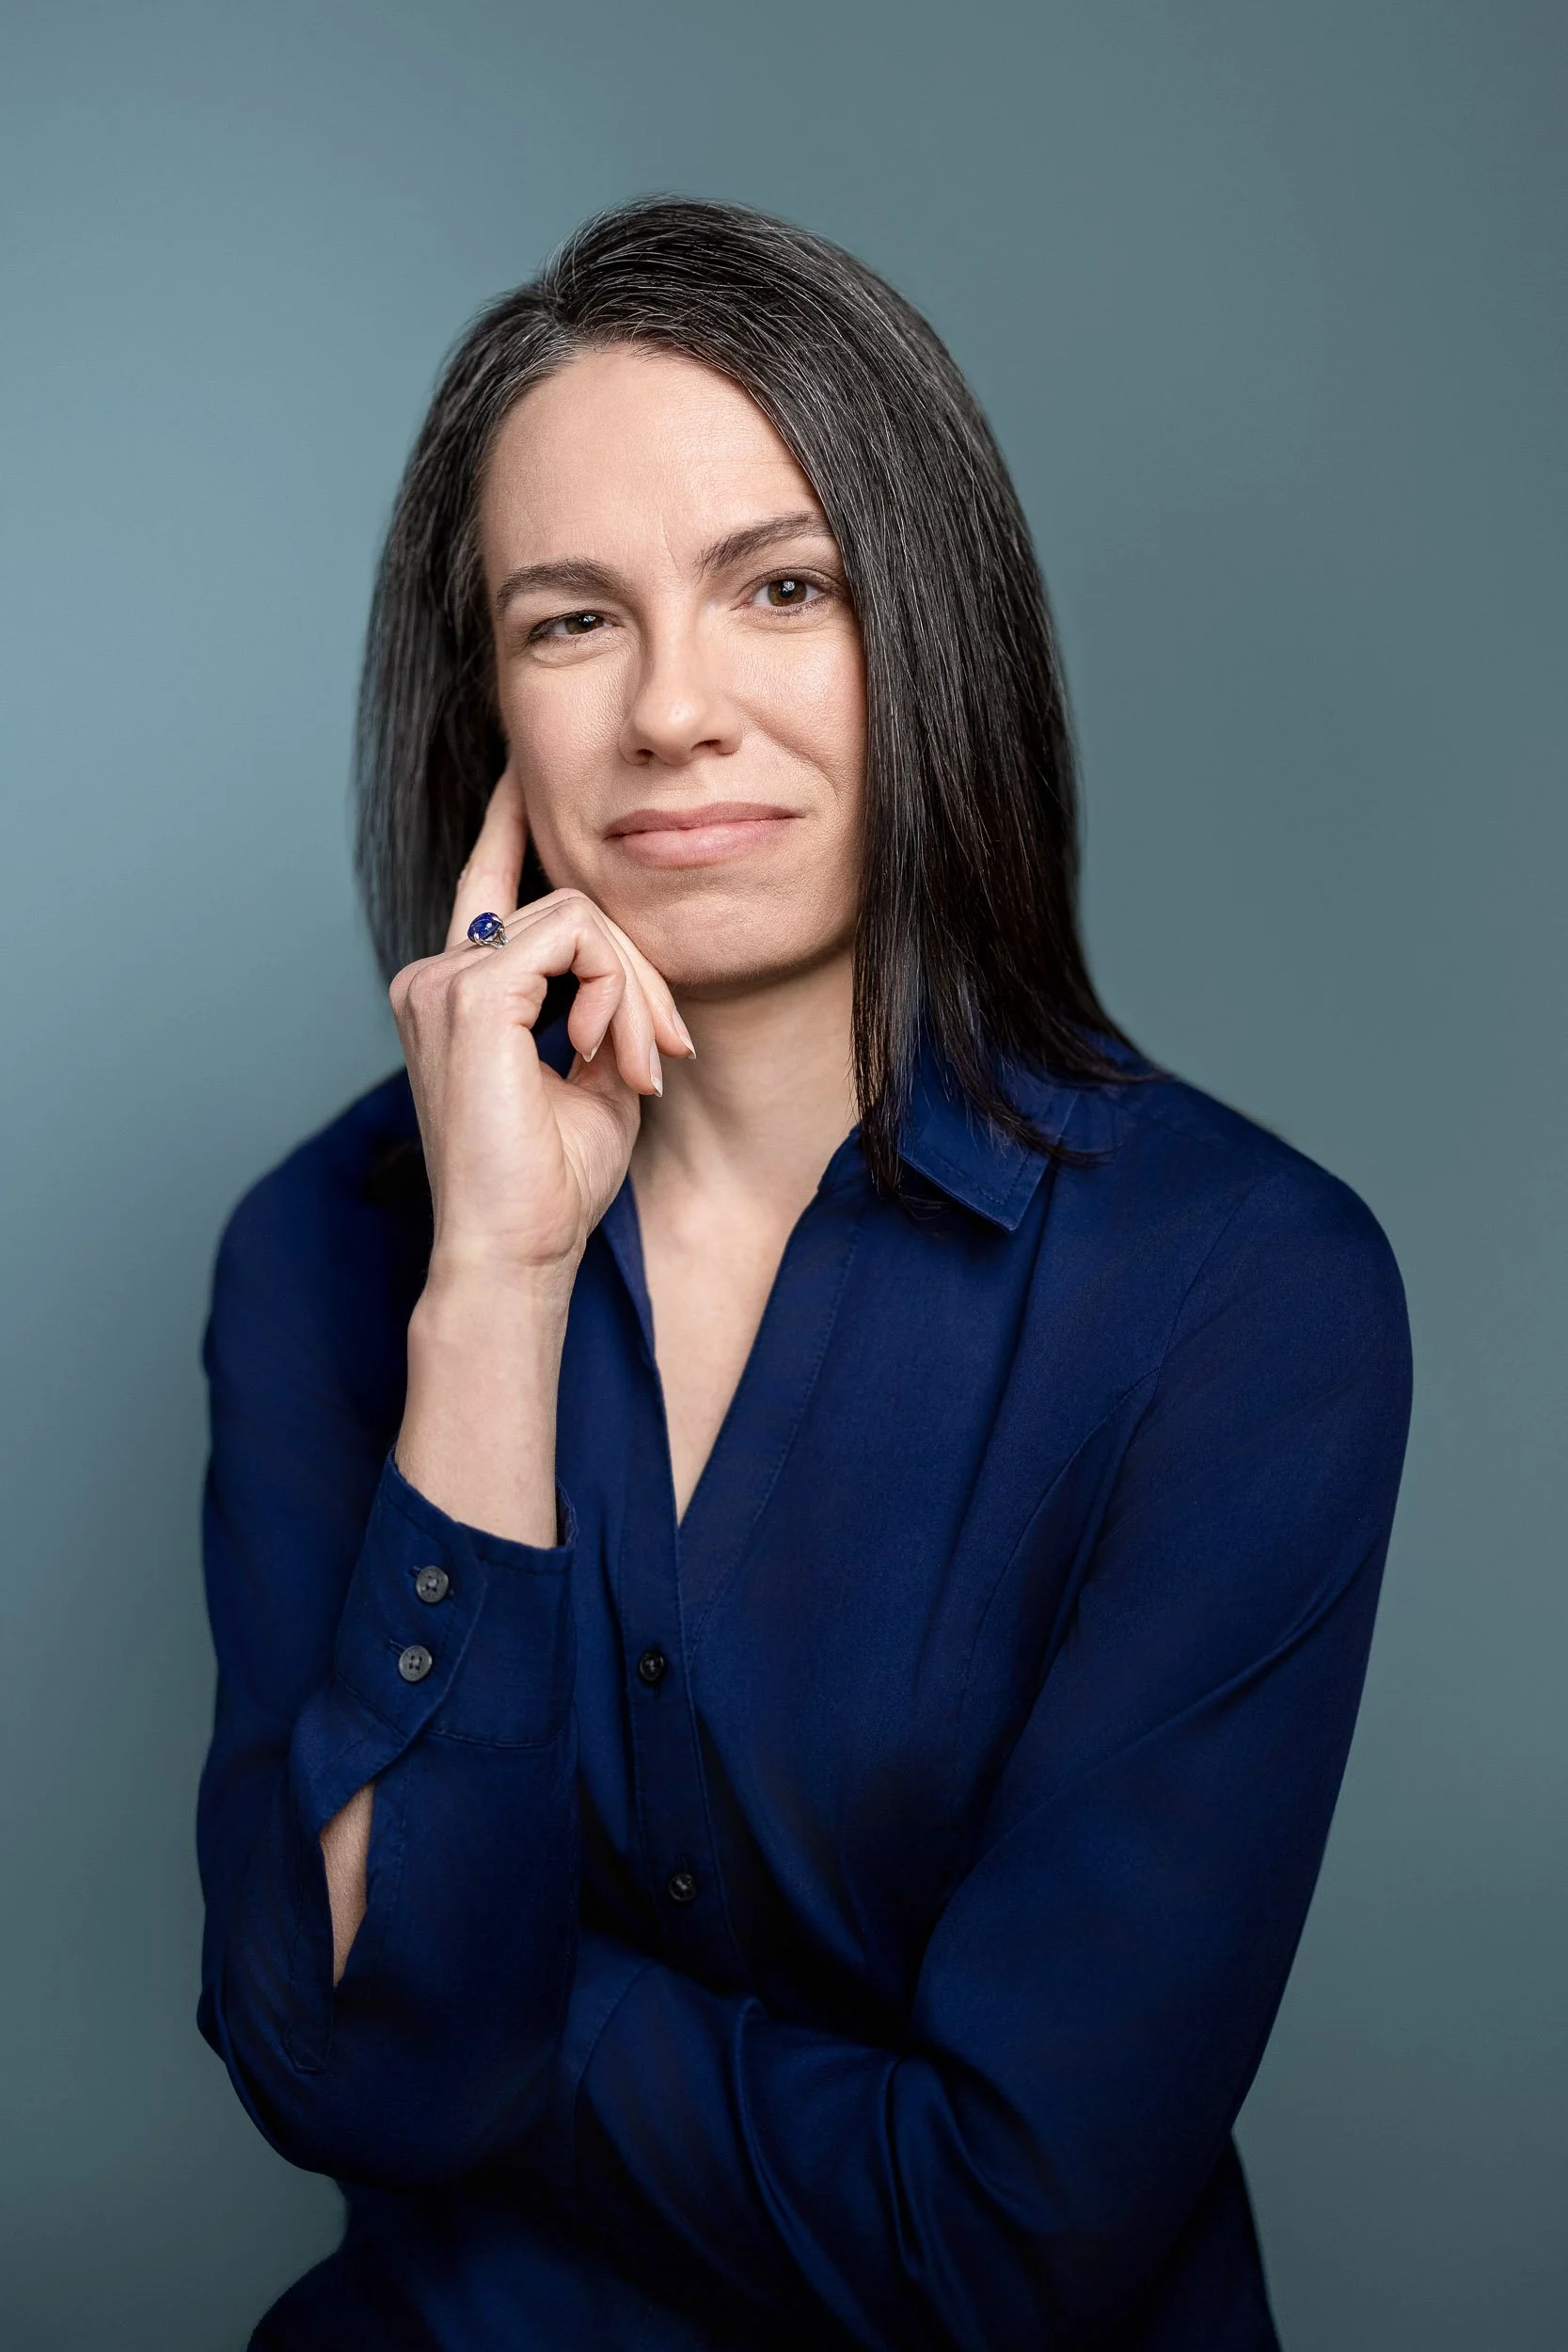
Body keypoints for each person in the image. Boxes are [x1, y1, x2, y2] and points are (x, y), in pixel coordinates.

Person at [197, 198, 1412, 2351]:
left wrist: (490, 2012)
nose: (674, 710)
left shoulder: (1245, 1298)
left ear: (926, 629)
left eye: (779, 587)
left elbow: (1003, 2236)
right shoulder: (327, 1252)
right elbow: (343, 2078)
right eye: (571, 621)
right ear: (485, 707)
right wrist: (488, 1278)